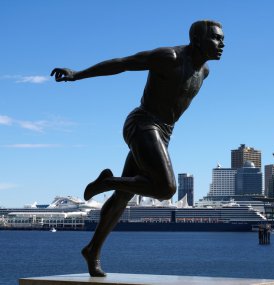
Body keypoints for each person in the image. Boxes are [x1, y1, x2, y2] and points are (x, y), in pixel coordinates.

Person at [51, 20, 224, 277]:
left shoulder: (205, 72)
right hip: (142, 124)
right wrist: (78, 74)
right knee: (166, 189)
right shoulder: (170, 57)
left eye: (222, 39)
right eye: (217, 39)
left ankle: (92, 250)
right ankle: (108, 182)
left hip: (164, 133)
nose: (222, 44)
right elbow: (123, 63)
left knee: (123, 197)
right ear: (198, 40)